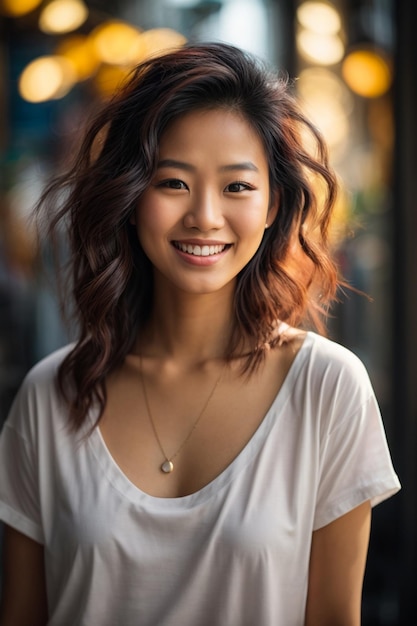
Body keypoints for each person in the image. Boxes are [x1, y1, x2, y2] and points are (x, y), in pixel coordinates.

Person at [0, 42, 400, 626]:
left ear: (273, 205)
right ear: (132, 197)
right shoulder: (49, 396)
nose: (205, 217)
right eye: (173, 183)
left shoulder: (328, 388)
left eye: (237, 187)